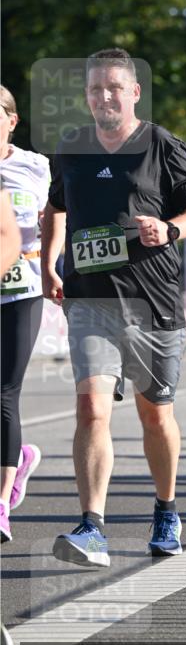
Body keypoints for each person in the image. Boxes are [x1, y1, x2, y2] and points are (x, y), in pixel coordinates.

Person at [41, 48, 186, 566]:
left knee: (154, 414)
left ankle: (166, 508)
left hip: (151, 300)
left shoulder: (161, 145)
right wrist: (52, 262)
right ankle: (91, 525)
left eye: (114, 88)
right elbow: (56, 205)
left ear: (134, 92)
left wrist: (170, 228)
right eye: (95, 89)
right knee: (91, 407)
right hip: (89, 298)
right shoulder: (72, 147)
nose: (104, 97)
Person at [1, 85, 50, 544]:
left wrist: (52, 265)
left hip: (22, 290)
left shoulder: (35, 166)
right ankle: (21, 463)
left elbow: (55, 216)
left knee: (5, 391)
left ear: (12, 121)